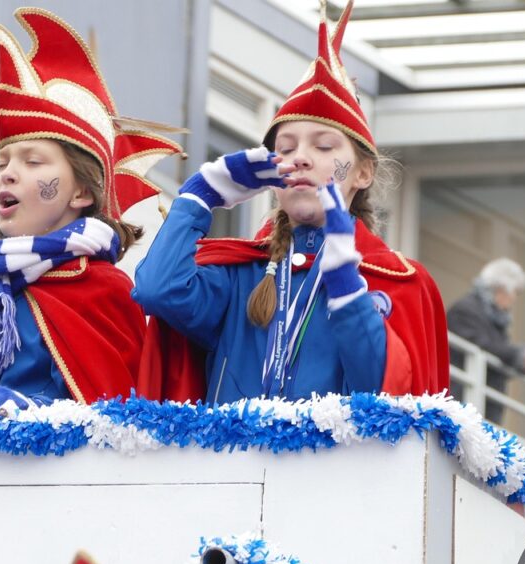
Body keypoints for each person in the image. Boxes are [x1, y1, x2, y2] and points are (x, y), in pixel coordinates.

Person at [132, 0, 448, 403]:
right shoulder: (239, 274)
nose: (300, 158)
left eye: (323, 146)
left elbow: (386, 400)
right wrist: (198, 195)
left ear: (363, 173)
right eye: (285, 148)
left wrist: (347, 290)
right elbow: (157, 291)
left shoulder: (399, 281)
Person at [0, 7, 182, 425]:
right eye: (2, 162)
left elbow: (114, 421)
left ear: (82, 191)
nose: (7, 173)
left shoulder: (105, 289)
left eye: (33, 161)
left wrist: (28, 407)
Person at [447, 258, 525, 422]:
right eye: (515, 292)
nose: (514, 299)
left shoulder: (494, 317)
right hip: (462, 402)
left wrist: (522, 361)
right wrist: (521, 355)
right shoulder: (465, 310)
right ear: (501, 288)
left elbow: (496, 354)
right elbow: (484, 347)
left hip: (481, 404)